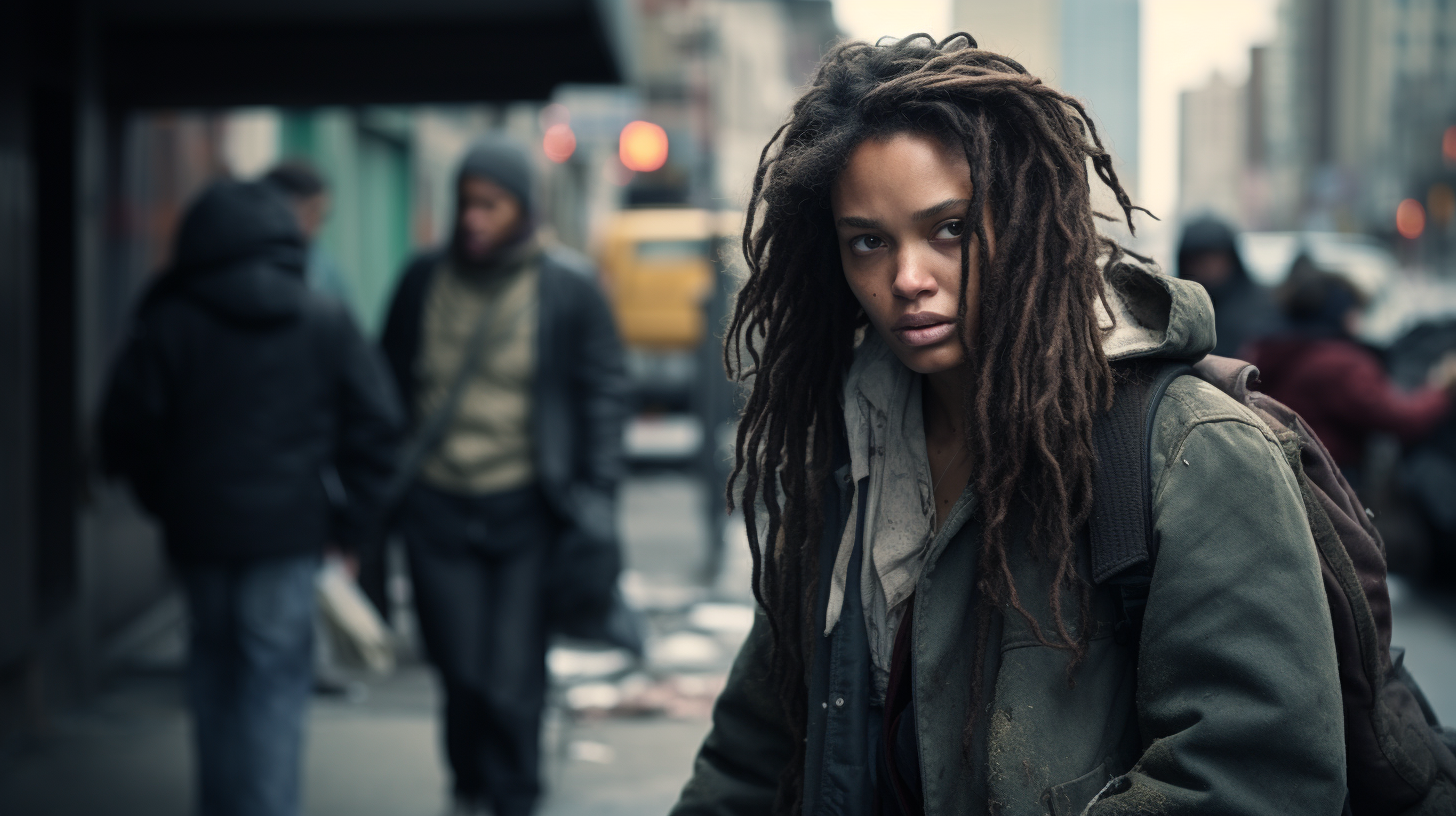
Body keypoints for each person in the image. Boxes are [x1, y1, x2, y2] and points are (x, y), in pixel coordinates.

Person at [670, 35, 1345, 816]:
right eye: (869, 242)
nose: (908, 279)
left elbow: (1256, 782)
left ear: (1024, 218)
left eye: (949, 228)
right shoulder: (848, 459)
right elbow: (753, 756)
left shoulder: (1188, 450)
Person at [99, 180, 403, 816]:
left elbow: (127, 428)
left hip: (200, 539)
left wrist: (167, 501)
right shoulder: (321, 316)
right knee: (274, 687)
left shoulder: (170, 320)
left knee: (213, 681)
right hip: (289, 537)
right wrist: (350, 527)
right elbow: (377, 426)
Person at [379, 135, 629, 816]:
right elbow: (386, 385)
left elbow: (603, 391)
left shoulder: (567, 285)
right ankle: (469, 786)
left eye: (490, 205)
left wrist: (598, 495)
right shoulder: (421, 281)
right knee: (461, 674)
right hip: (437, 508)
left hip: (527, 509)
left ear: (523, 209)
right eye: (466, 203)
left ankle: (517, 796)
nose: (474, 219)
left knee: (512, 678)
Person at [1246, 255, 1456, 477]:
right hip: (1326, 477)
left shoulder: (1273, 348)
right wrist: (1441, 386)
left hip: (1283, 469)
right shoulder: (1340, 364)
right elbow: (1401, 419)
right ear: (1339, 313)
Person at [1176, 214, 1284, 357]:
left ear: (1232, 258)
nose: (1207, 267)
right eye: (1198, 259)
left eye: (1215, 257)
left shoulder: (1263, 305)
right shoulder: (1177, 308)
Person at [263, 159, 356, 308]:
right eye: (311, 211)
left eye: (322, 217)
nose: (316, 225)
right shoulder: (252, 259)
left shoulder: (325, 268)